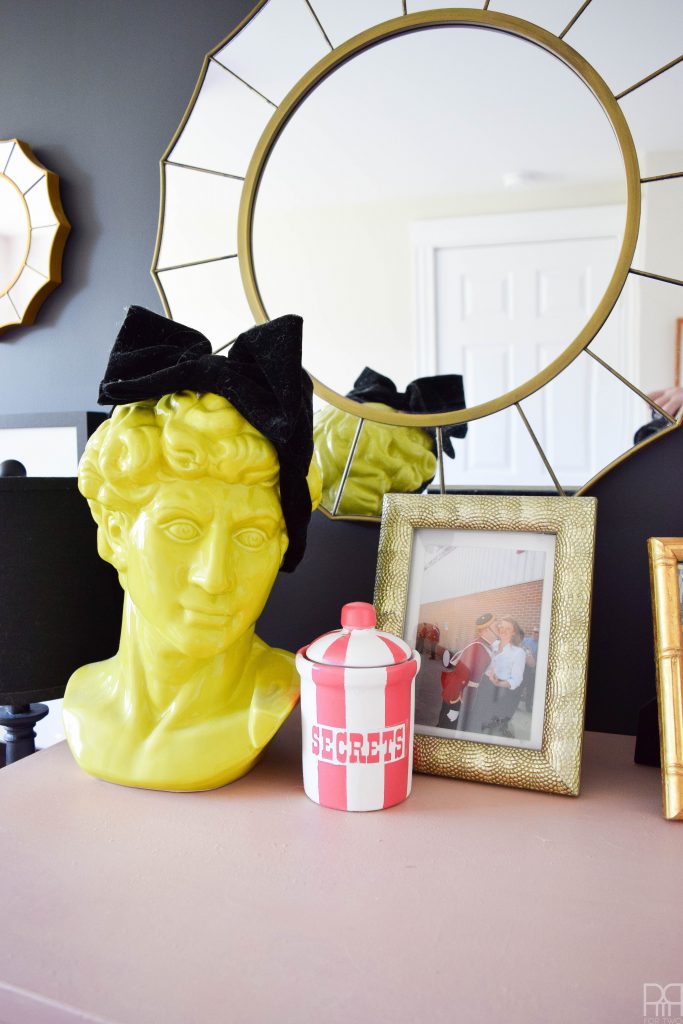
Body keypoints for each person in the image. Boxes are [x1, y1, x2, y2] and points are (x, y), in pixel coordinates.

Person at [63, 307, 321, 792]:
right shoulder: (79, 701)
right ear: (115, 533)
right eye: (181, 529)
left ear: (282, 546)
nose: (214, 576)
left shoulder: (279, 698)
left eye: (250, 537)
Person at [459, 615, 525, 737]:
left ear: (514, 632)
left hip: (500, 691)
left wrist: (499, 683)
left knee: (489, 727)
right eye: (501, 627)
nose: (503, 630)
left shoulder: (518, 652)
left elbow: (516, 680)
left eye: (508, 629)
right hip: (483, 686)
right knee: (475, 720)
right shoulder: (492, 644)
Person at [437, 613, 498, 729]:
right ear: (485, 630)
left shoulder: (484, 645)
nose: (498, 629)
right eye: (496, 627)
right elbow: (463, 678)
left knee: (448, 725)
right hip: (458, 697)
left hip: (461, 695)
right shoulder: (478, 648)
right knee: (448, 727)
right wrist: (460, 703)